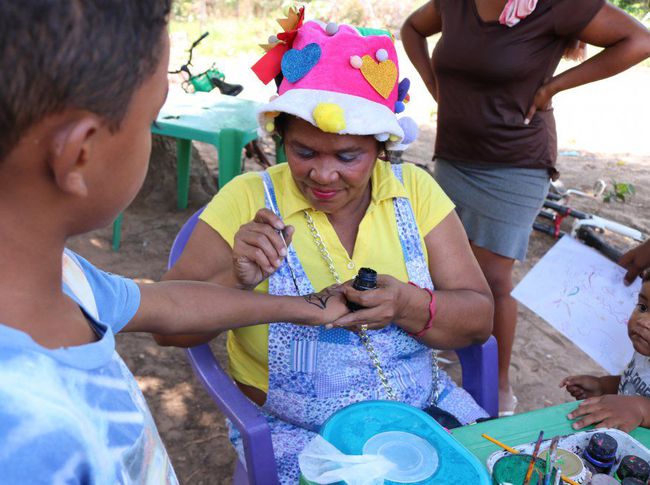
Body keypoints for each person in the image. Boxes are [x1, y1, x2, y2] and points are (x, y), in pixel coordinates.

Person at [0, 2, 350, 483]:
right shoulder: (25, 436)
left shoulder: (62, 277)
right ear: (80, 154)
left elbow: (169, 303)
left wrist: (306, 308)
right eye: (150, 121)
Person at [159, 18, 494, 483]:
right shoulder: (246, 199)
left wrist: (407, 305)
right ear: (281, 139)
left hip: (418, 413)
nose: (322, 175)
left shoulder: (413, 192)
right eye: (303, 152)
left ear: (380, 148)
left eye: (346, 156)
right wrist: (235, 280)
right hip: (296, 432)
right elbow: (167, 330)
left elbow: (479, 320)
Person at [401, 0, 650, 415]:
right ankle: (452, 350)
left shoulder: (553, 5)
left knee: (494, 279)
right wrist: (435, 87)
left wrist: (552, 87)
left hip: (514, 164)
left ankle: (498, 385)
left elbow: (639, 41)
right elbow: (412, 28)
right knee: (446, 266)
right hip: (453, 156)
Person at [561, 273, 650, 432]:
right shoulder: (644, 350)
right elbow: (633, 385)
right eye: (643, 308)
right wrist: (601, 386)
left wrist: (640, 409)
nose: (643, 321)